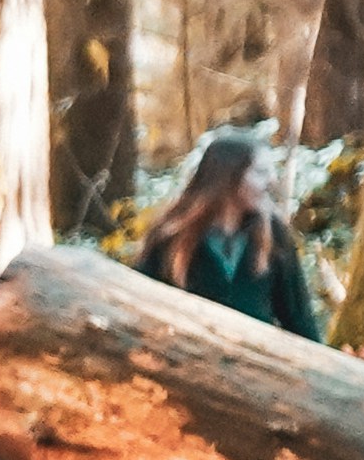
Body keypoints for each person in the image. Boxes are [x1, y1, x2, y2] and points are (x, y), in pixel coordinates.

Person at [135, 126, 317, 338]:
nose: (271, 182)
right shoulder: (172, 237)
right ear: (228, 178)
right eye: (260, 172)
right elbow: (141, 307)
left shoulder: (274, 234)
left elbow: (299, 319)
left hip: (259, 363)